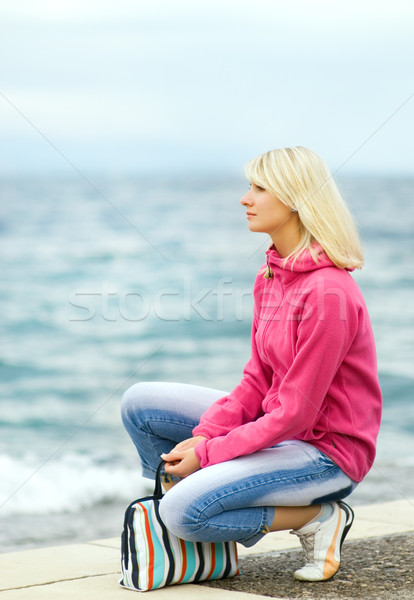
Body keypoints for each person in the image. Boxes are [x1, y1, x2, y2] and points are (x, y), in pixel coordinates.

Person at [121, 146, 382, 582]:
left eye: (259, 188)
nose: (245, 198)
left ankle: (316, 518)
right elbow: (257, 379)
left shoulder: (328, 293)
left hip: (326, 452)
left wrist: (206, 453)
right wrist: (204, 435)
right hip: (281, 428)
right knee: (140, 403)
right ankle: (187, 528)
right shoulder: (271, 275)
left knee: (183, 512)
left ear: (296, 199)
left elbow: (296, 412)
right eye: (250, 187)